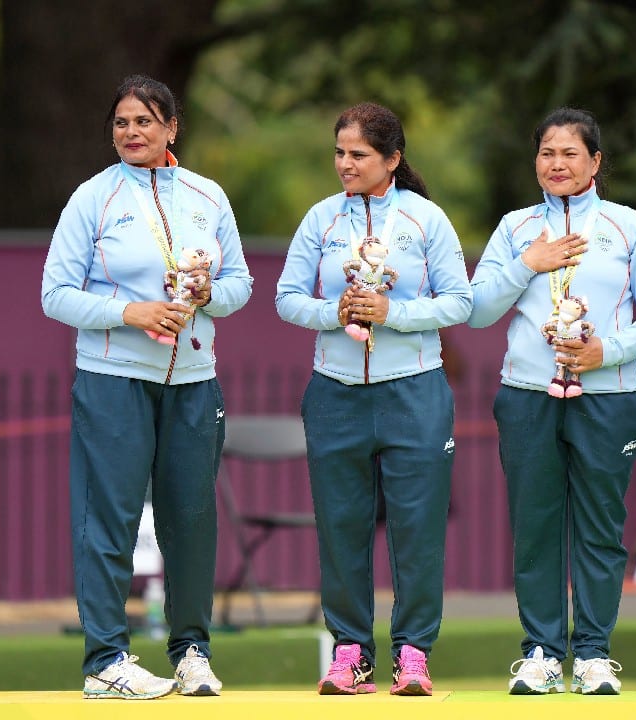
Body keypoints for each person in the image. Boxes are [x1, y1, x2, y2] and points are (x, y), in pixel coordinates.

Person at [41, 74, 253, 700]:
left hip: (193, 381)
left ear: (171, 128)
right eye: (121, 123)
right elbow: (55, 293)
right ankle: (106, 661)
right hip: (113, 381)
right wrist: (129, 312)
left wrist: (207, 294)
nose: (131, 133)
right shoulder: (93, 199)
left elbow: (240, 285)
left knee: (191, 522)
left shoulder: (207, 196)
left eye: (144, 121)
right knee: (109, 519)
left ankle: (191, 653)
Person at [468, 107, 636, 696]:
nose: (556, 165)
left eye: (569, 154)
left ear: (595, 162)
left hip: (607, 396)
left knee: (601, 530)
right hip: (528, 395)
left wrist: (606, 351)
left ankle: (591, 654)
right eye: (546, 154)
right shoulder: (514, 229)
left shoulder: (627, 227)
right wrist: (526, 265)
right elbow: (478, 310)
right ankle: (538, 651)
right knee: (534, 527)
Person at [275, 102, 471, 697]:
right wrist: (332, 313)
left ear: (392, 158)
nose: (345, 164)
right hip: (335, 392)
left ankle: (413, 654)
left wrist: (395, 313)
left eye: (358, 154)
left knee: (416, 527)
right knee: (341, 526)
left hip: (414, 390)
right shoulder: (320, 220)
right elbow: (286, 298)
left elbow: (459, 303)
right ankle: (350, 653)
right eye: (339, 152)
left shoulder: (426, 219)